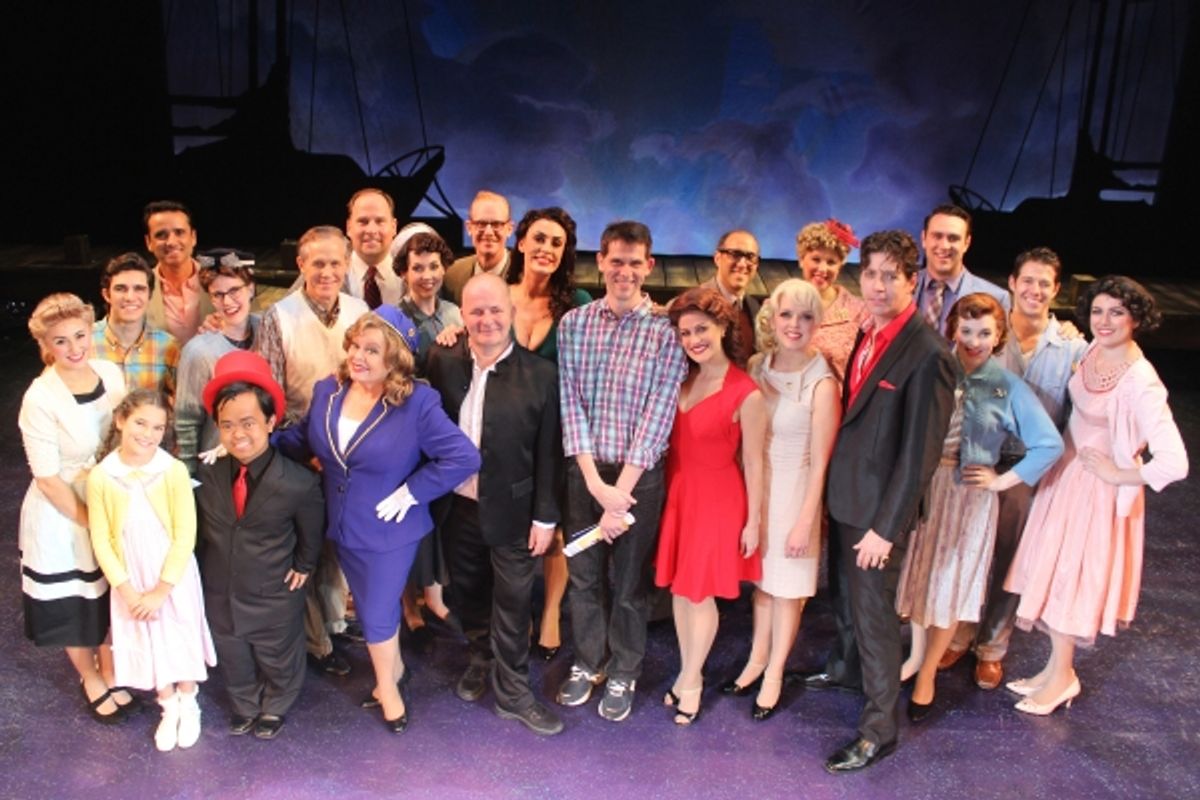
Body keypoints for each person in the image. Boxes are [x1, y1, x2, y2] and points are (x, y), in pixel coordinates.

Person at [273, 307, 480, 733]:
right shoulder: (327, 390)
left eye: (372, 349)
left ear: (395, 360)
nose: (358, 355)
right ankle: (396, 669)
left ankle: (388, 689)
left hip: (391, 532)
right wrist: (252, 441)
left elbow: (463, 456)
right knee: (372, 610)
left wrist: (412, 492)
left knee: (377, 613)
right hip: (343, 527)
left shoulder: (416, 402)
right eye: (355, 345)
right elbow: (299, 440)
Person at [805, 230, 957, 773]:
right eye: (870, 273)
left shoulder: (929, 353)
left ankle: (878, 731)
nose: (877, 284)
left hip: (876, 518)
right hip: (847, 498)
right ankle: (845, 669)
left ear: (912, 280)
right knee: (844, 604)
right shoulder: (871, 333)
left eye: (890, 275)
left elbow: (919, 456)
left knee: (874, 619)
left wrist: (886, 529)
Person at [1005, 276, 1188, 714]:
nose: (1104, 321)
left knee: (1073, 578)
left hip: (1096, 495)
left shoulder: (1140, 380)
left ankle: (1064, 677)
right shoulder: (1092, 350)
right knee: (1050, 572)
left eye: (1116, 313)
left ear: (1136, 319)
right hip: (1064, 479)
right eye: (1097, 312)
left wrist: (1120, 473)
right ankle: (1054, 670)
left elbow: (1175, 461)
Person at [895, 293, 1063, 723]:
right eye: (966, 330)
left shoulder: (1006, 386)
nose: (974, 340)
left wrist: (1001, 480)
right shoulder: (932, 369)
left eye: (985, 332)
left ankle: (928, 673)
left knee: (950, 589)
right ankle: (914, 657)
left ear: (998, 335)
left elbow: (1049, 444)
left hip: (969, 500)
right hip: (926, 490)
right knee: (918, 581)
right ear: (952, 329)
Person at [556, 220, 689, 722]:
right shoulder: (575, 324)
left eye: (635, 262)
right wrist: (594, 484)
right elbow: (571, 404)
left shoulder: (665, 331)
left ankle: (624, 669)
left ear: (649, 266)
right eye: (616, 261)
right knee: (584, 576)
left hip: (639, 479)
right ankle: (588, 661)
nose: (625, 271)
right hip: (585, 473)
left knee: (631, 583)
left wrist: (620, 496)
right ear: (602, 263)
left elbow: (659, 415)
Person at [941, 247, 1087, 689]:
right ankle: (960, 634)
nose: (1035, 290)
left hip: (1029, 469)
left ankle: (992, 647)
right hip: (979, 461)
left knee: (1009, 561)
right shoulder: (989, 333)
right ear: (1012, 282)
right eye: (1028, 281)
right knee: (968, 552)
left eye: (1045, 284)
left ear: (1056, 290)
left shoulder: (1071, 346)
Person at [425, 274, 565, 735]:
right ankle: (481, 655)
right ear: (461, 316)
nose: (486, 320)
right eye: (476, 311)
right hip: (457, 508)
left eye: (495, 310)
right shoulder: (441, 360)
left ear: (511, 312)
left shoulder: (542, 376)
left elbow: (549, 452)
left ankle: (514, 693)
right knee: (466, 591)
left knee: (513, 602)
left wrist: (546, 516)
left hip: (516, 514)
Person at [257, 225, 373, 676]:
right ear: (301, 265)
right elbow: (269, 397)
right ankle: (316, 642)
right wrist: (306, 449)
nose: (326, 271)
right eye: (317, 263)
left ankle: (338, 620)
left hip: (350, 451)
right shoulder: (278, 317)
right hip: (299, 450)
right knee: (305, 546)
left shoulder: (360, 312)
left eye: (335, 263)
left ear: (347, 265)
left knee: (337, 542)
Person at [722, 279, 839, 721]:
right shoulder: (757, 364)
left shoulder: (823, 382)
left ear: (817, 323)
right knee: (763, 588)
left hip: (796, 494)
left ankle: (774, 674)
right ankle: (755, 660)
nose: (795, 325)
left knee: (788, 592)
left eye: (806, 317)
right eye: (788, 314)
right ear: (772, 316)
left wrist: (805, 522)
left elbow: (820, 461)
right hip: (758, 492)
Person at [195, 352, 325, 740]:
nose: (238, 435)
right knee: (232, 652)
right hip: (221, 588)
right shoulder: (208, 471)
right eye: (228, 425)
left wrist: (304, 564)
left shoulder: (299, 482)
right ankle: (244, 704)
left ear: (271, 422)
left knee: (277, 653)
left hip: (274, 590)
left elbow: (311, 532)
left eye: (249, 423)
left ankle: (277, 704)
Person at [655, 287, 766, 725]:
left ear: (723, 327)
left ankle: (692, 681)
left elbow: (755, 462)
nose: (694, 339)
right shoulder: (681, 378)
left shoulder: (747, 393)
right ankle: (686, 673)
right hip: (679, 497)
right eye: (685, 332)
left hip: (719, 501)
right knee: (682, 592)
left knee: (699, 595)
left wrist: (753, 521)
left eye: (702, 328)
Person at [19, 293, 130, 724]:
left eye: (80, 335)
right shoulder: (40, 398)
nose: (74, 348)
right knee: (78, 599)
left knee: (110, 592)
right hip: (64, 511)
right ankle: (90, 676)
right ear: (46, 345)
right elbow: (47, 478)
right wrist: (93, 524)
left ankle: (114, 667)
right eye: (60, 341)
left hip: (109, 497)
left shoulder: (109, 373)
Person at [87, 389, 217, 752]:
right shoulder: (102, 476)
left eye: (158, 427)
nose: (148, 434)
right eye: (140, 423)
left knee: (179, 631)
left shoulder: (172, 470)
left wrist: (162, 589)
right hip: (131, 574)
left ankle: (189, 701)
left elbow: (185, 533)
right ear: (120, 421)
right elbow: (102, 540)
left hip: (169, 573)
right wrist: (128, 591)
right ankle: (168, 705)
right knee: (148, 637)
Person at [507, 206, 592, 659]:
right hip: (506, 436)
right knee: (511, 529)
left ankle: (551, 613)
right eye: (539, 238)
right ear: (521, 243)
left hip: (558, 435)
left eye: (557, 243)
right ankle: (515, 611)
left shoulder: (576, 304)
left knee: (555, 529)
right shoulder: (497, 296)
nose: (546, 248)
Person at [175, 254, 260, 475]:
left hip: (264, 464)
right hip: (218, 467)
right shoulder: (199, 351)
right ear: (211, 300)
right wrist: (189, 478)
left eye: (234, 291)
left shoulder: (268, 330)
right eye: (218, 295)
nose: (228, 302)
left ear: (250, 288)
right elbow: (187, 421)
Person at [92, 252, 180, 397]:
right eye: (121, 289)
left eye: (139, 289)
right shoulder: (84, 342)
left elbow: (182, 408)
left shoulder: (168, 347)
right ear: (106, 295)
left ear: (149, 295)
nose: (130, 297)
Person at [916, 204, 1009, 334]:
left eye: (953, 238)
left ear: (967, 243)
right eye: (937, 236)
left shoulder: (997, 298)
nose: (944, 245)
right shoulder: (898, 287)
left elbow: (998, 351)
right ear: (924, 239)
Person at [795, 219, 867, 381]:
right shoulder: (778, 306)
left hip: (841, 404)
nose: (822, 269)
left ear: (840, 266)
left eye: (831, 262)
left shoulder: (860, 311)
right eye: (816, 259)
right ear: (801, 259)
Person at [143, 200, 213, 344]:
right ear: (148, 242)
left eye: (179, 232)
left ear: (193, 237)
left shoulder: (221, 280)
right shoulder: (138, 288)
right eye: (161, 235)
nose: (171, 242)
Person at [396, 231, 463, 370]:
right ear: (404, 273)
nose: (427, 276)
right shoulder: (395, 320)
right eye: (417, 268)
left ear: (444, 268)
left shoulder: (455, 314)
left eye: (434, 267)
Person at [444, 190, 514, 305]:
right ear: (469, 227)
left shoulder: (526, 275)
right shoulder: (452, 275)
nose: (488, 232)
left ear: (510, 229)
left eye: (497, 224)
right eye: (481, 224)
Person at [344, 188, 403, 308]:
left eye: (380, 221)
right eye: (363, 221)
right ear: (349, 227)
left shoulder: (412, 274)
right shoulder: (325, 271)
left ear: (394, 227)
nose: (371, 230)